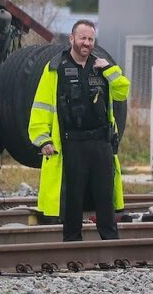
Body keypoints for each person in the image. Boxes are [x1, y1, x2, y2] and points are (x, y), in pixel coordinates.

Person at [28, 20, 130, 241]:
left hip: (101, 142)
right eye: (82, 38)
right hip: (71, 143)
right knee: (72, 198)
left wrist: (110, 70)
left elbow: (122, 92)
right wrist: (43, 139)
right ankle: (73, 243)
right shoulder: (56, 68)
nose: (87, 43)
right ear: (72, 39)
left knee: (105, 196)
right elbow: (41, 106)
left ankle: (111, 242)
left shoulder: (102, 67)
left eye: (91, 39)